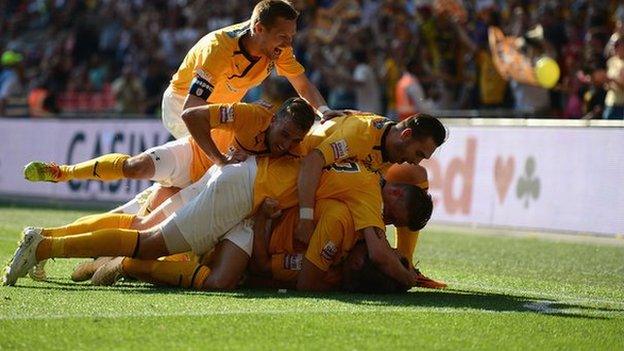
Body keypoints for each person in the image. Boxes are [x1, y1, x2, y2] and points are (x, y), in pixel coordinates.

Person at [3, 154, 429, 289]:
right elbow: (195, 114)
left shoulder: (360, 185)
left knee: (213, 275)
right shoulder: (356, 203)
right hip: (233, 178)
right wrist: (403, 275)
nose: (388, 223)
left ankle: (94, 255)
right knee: (142, 225)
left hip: (247, 201)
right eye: (393, 217)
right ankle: (47, 240)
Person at [162, 0, 340, 140]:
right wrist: (243, 112)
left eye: (291, 36)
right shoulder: (219, 48)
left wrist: (324, 111)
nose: (288, 44)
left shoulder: (280, 48)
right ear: (259, 29)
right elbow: (192, 108)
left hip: (220, 110)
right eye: (283, 37)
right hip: (180, 106)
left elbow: (302, 85)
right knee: (213, 169)